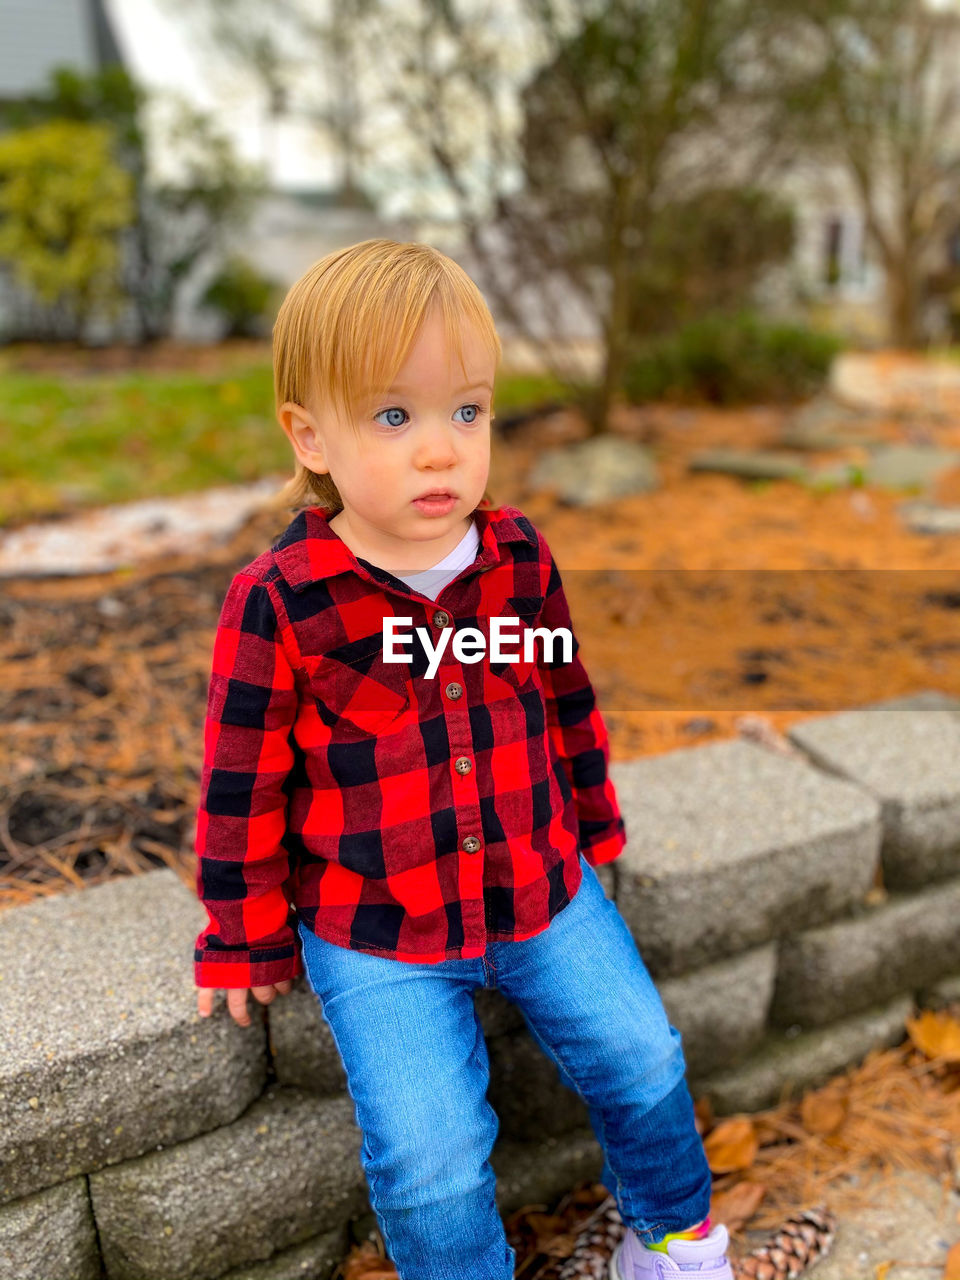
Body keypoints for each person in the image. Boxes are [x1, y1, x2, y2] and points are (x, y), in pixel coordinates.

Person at [192, 239, 732, 1280]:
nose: (441, 450)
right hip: (378, 929)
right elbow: (239, 784)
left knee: (642, 1053)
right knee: (429, 1154)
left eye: (467, 412)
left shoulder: (518, 556)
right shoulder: (282, 600)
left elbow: (563, 696)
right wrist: (241, 934)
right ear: (311, 434)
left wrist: (595, 820)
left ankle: (670, 1240)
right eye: (395, 417)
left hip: (540, 885)